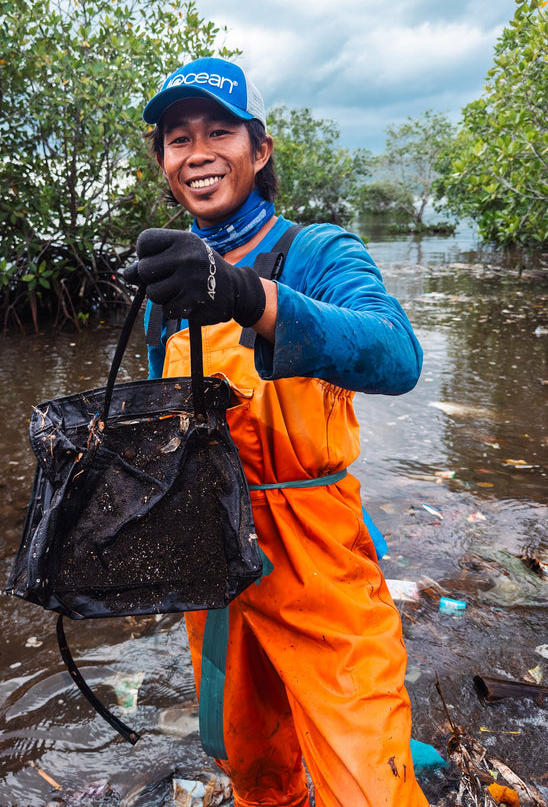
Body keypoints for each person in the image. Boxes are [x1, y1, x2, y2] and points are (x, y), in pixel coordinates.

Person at [130, 56, 430, 807]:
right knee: (255, 770)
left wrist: (243, 292)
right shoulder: (165, 283)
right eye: (177, 138)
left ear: (259, 150)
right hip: (215, 560)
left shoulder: (317, 252)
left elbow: (396, 355)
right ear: (164, 161)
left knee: (370, 784)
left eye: (220, 131)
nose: (197, 151)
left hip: (317, 553)